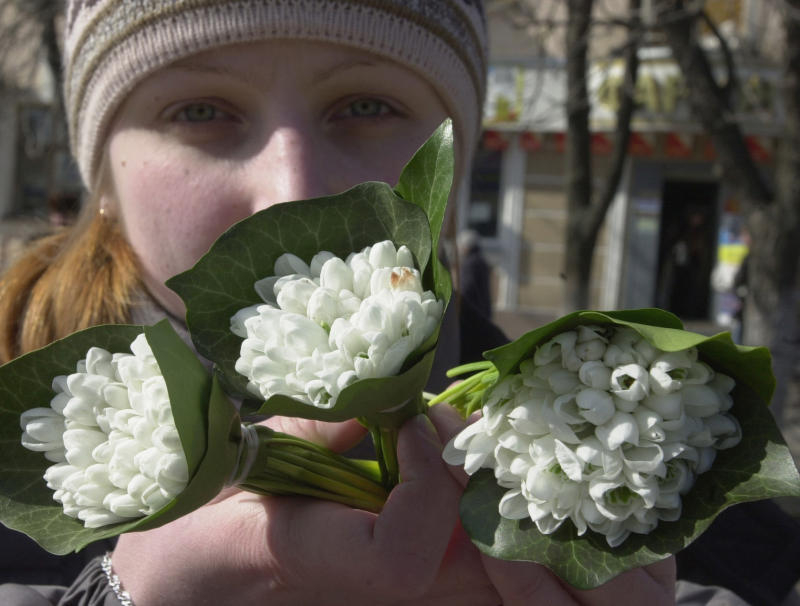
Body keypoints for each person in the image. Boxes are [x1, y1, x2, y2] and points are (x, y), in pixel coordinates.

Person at [0, 1, 684, 603]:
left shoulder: (641, 474)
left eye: (365, 106)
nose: (293, 190)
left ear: (455, 155)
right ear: (102, 185)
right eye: (200, 111)